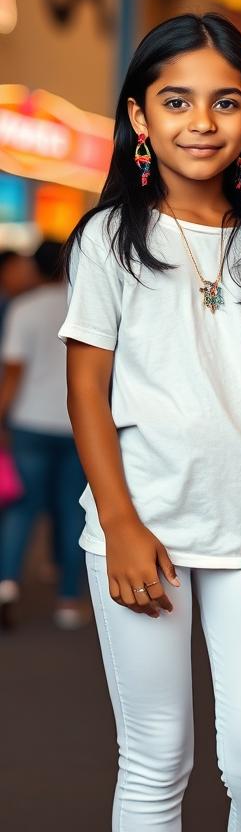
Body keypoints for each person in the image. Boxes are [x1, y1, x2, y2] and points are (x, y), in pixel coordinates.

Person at [61, 13, 241, 831]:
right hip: (147, 530)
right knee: (155, 757)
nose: (201, 123)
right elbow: (85, 389)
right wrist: (120, 521)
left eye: (225, 103)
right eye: (176, 102)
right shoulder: (110, 239)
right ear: (139, 117)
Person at [0, 240, 87, 630]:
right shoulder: (87, 304)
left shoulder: (25, 309)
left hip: (29, 425)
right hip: (77, 426)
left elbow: (12, 376)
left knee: (22, 510)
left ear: (36, 268)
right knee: (72, 511)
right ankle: (68, 601)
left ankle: (6, 587)